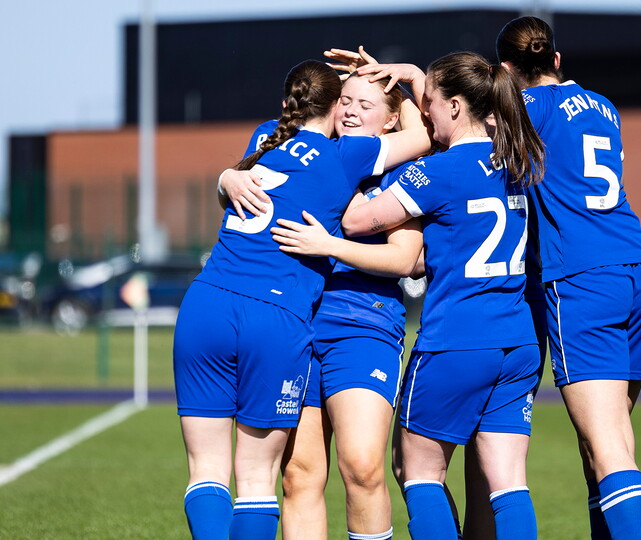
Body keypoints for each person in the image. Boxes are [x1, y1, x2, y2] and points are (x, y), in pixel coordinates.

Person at [277, 51, 545, 539]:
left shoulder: (435, 171)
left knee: (416, 472)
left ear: (454, 106)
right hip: (516, 336)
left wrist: (333, 181)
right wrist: (417, 78)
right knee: (508, 484)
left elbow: (364, 225)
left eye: (432, 102)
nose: (426, 112)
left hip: (456, 337)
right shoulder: (514, 161)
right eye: (345, 101)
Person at [175, 59, 429, 540]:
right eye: (346, 100)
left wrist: (328, 244)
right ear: (330, 105)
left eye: (365, 103)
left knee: (360, 467)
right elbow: (421, 136)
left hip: (352, 321)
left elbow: (407, 258)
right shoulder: (329, 150)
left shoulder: (394, 166)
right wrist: (227, 178)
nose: (351, 111)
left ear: (391, 117)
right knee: (288, 475)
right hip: (289, 320)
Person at [495, 16, 641, 540]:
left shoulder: (527, 107)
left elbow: (466, 131)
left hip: (584, 278)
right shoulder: (603, 105)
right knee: (607, 445)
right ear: (556, 59)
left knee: (607, 447)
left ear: (507, 71)